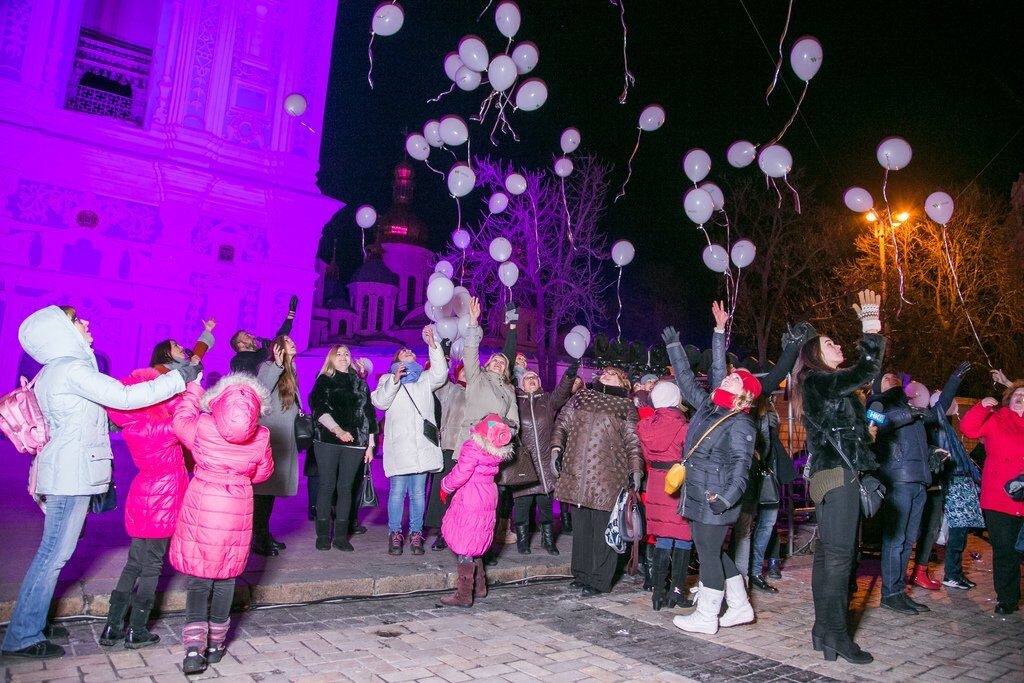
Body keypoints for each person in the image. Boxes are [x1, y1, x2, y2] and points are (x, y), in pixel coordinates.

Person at [2, 305, 195, 660]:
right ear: (60, 332)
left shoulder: (53, 371)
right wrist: (179, 378)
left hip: (66, 471)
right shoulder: (72, 369)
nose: (85, 323)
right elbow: (124, 397)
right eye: (76, 320)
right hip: (69, 475)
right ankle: (23, 636)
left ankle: (32, 622)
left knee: (53, 553)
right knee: (52, 556)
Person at [790, 289, 885, 665]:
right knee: (840, 559)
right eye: (830, 343)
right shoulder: (819, 379)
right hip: (840, 475)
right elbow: (866, 371)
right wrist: (871, 328)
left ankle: (823, 633)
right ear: (815, 354)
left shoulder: (816, 385)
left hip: (829, 473)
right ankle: (838, 636)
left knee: (828, 557)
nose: (838, 345)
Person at [664, 302, 760, 636]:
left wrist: (726, 497)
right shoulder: (708, 406)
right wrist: (676, 347)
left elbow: (741, 466)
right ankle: (740, 606)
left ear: (743, 395)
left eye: (735, 379)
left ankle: (707, 616)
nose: (727, 377)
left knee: (706, 554)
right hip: (698, 490)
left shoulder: (741, 423)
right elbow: (690, 378)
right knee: (712, 552)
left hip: (714, 495)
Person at [169, 373, 274, 675]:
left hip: (203, 500)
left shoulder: (203, 425)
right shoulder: (262, 435)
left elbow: (180, 422)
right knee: (226, 577)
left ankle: (192, 650)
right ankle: (216, 645)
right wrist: (238, 478)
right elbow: (264, 473)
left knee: (199, 579)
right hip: (238, 502)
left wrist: (193, 390)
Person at [869, 361, 968, 614]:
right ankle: (890, 593)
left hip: (919, 480)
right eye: (886, 377)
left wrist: (953, 381)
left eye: (894, 376)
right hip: (898, 479)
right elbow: (874, 421)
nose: (892, 379)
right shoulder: (879, 403)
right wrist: (909, 414)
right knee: (896, 539)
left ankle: (898, 590)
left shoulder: (910, 407)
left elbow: (938, 411)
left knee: (908, 540)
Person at [732, 324, 814, 593]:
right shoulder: (730, 411)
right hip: (744, 477)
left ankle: (756, 573)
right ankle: (740, 579)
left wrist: (791, 347)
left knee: (766, 525)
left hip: (768, 474)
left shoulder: (764, 408)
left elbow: (778, 373)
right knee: (743, 530)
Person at [552, 366, 643, 597]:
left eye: (612, 374)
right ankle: (581, 574)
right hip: (577, 473)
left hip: (608, 476)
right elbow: (562, 422)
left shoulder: (625, 406)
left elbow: (633, 441)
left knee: (603, 529)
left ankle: (600, 580)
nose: (605, 374)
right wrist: (556, 448)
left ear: (624, 383)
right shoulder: (581, 396)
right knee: (582, 527)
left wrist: (636, 470)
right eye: (603, 372)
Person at [371, 327, 448, 556]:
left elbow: (441, 374)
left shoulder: (425, 379)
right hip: (400, 447)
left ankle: (416, 534)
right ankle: (395, 534)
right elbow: (381, 402)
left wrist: (432, 344)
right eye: (403, 352)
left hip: (422, 446)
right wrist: (395, 380)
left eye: (411, 352)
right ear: (396, 360)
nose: (409, 353)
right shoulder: (386, 379)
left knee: (417, 494)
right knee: (396, 492)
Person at [959, 380, 1024, 615]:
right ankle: (1007, 599)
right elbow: (969, 429)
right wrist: (981, 407)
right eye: (1017, 393)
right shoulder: (997, 418)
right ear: (1009, 398)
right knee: (1005, 550)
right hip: (999, 498)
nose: (1020, 397)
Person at [436, 415, 514, 607]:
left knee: (466, 542)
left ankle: (463, 595)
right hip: (488, 492)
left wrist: (445, 486)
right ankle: (480, 587)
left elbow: (461, 473)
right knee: (477, 539)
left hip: (471, 494)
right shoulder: (496, 450)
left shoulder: (473, 447)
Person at [308, 345, 378, 551]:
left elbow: (369, 416)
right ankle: (322, 535)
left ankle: (340, 536)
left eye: (346, 354)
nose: (343, 357)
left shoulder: (360, 384)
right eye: (338, 354)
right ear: (331, 358)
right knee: (327, 486)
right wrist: (338, 430)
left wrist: (370, 445)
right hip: (328, 439)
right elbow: (319, 408)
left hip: (356, 443)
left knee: (346, 488)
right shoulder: (324, 380)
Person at [512, 362, 579, 555]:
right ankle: (523, 542)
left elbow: (562, 392)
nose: (531, 380)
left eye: (534, 378)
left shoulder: (548, 400)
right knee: (523, 505)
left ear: (539, 383)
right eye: (527, 378)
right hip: (523, 462)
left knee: (546, 506)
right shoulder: (515, 402)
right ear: (521, 384)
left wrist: (570, 374)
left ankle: (548, 541)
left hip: (545, 463)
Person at [636, 381, 692, 611]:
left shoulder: (644, 426)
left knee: (663, 538)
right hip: (677, 482)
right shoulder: (684, 427)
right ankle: (676, 593)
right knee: (683, 539)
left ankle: (657, 593)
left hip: (657, 483)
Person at [929, 390, 982, 590]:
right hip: (955, 483)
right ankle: (952, 574)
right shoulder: (940, 426)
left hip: (961, 482)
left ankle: (954, 572)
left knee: (960, 532)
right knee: (958, 532)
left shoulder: (947, 428)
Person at [252, 335, 300, 556]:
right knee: (262, 492)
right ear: (279, 348)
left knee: (269, 493)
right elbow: (260, 390)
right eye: (288, 341)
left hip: (282, 437)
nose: (293, 343)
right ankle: (258, 538)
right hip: (270, 437)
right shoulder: (269, 366)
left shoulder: (292, 369)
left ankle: (263, 534)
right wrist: (278, 365)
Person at [427, 362, 467, 551]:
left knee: (464, 496)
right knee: (444, 491)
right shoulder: (450, 389)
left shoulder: (479, 392)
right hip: (450, 447)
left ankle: (460, 532)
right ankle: (443, 533)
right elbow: (438, 380)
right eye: (463, 370)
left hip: (470, 451)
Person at [229, 296, 297, 375]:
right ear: (240, 345)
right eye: (247, 336)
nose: (253, 336)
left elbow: (280, 338)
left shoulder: (261, 352)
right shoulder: (237, 361)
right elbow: (254, 373)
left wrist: (291, 313)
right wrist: (266, 350)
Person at [149, 319, 216, 374]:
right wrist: (192, 365)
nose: (181, 347)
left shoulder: (185, 366)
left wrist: (208, 330)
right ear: (166, 353)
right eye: (175, 346)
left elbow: (199, 350)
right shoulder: (158, 371)